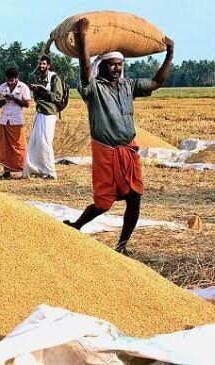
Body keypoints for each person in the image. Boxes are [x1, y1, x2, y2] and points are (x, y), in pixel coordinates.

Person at [64, 18, 175, 255]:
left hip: (128, 150)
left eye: (119, 65)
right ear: (101, 66)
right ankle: (77, 225)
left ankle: (122, 246)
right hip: (106, 151)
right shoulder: (93, 89)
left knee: (135, 198)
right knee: (103, 203)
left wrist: (170, 55)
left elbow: (157, 82)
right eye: (111, 64)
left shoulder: (128, 86)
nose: (116, 68)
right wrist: (83, 37)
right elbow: (85, 70)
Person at [24, 55, 63, 180]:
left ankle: (51, 172)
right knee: (35, 142)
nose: (41, 66)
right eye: (40, 64)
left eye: (44, 64)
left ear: (48, 65)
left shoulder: (54, 78)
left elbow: (58, 97)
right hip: (39, 111)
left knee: (45, 143)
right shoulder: (38, 78)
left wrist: (44, 92)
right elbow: (37, 98)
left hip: (49, 113)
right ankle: (38, 169)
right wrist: (36, 91)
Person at [0, 68, 31, 179]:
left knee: (20, 146)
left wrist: (14, 98)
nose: (9, 82)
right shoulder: (2, 86)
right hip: (5, 119)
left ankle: (23, 170)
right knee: (5, 146)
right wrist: (5, 99)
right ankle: (6, 171)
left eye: (12, 80)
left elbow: (27, 104)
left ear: (17, 78)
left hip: (17, 120)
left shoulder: (23, 87)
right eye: (8, 80)